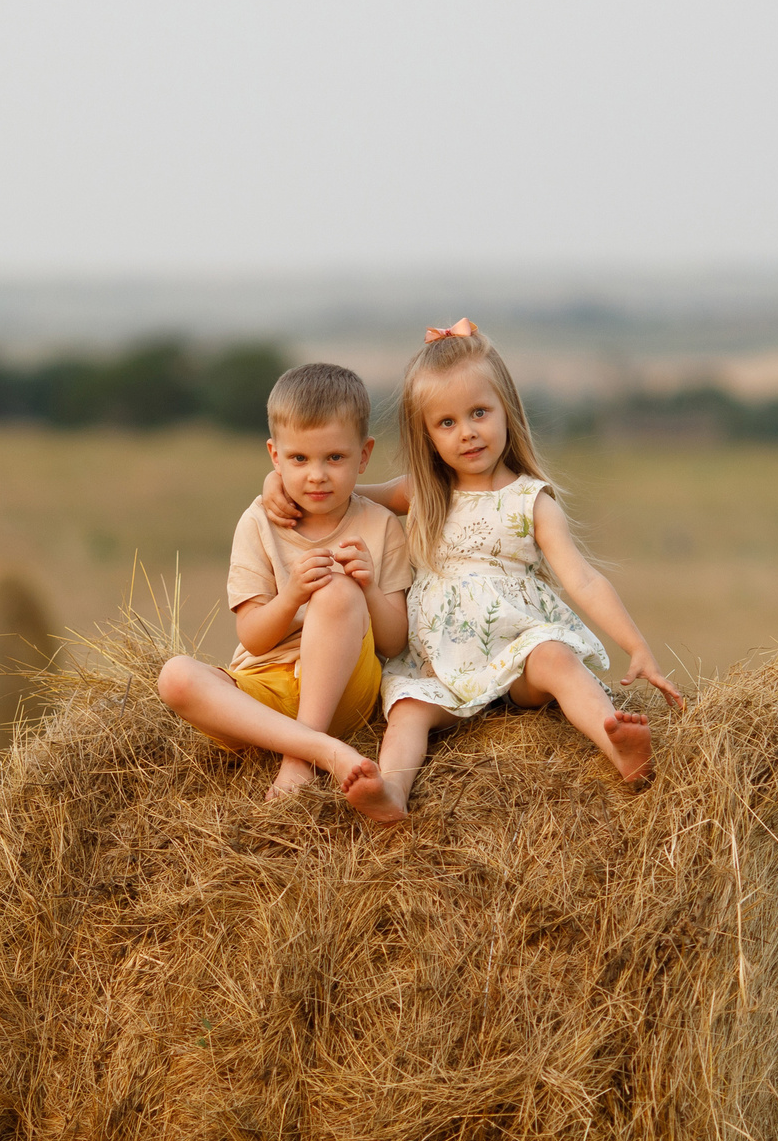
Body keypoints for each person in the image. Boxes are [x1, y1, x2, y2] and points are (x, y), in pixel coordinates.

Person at [266, 320, 684, 821]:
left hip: (516, 654)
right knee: (405, 713)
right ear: (427, 435)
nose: (466, 432)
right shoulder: (420, 492)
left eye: (479, 413)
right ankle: (392, 793)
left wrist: (636, 647)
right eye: (445, 423)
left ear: (507, 408)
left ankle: (618, 744)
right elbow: (338, 494)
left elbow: (584, 580)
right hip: (438, 665)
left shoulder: (531, 501)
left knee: (554, 658)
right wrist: (277, 483)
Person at [156, 362, 412, 801]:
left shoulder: (381, 526)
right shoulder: (258, 523)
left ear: (364, 455)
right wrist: (292, 593)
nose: (317, 475)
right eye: (299, 459)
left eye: (335, 457)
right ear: (275, 457)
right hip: (267, 686)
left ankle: (298, 759)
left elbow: (393, 644)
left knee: (336, 588)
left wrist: (367, 588)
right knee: (175, 677)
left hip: (346, 688)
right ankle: (320, 749)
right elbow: (253, 638)